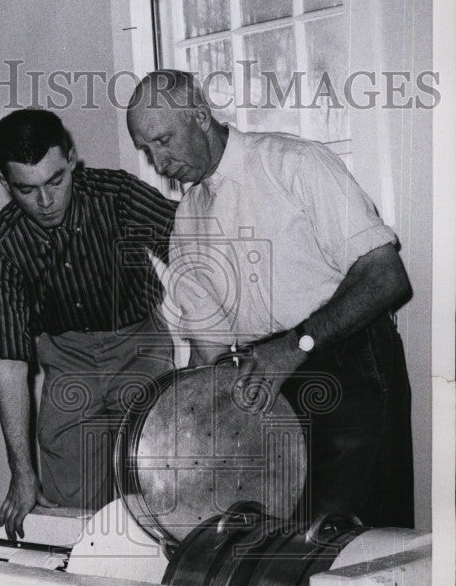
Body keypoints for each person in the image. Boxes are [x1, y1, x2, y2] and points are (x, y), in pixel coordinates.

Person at [126, 70, 414, 528]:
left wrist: (294, 347)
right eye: (147, 150)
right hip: (264, 382)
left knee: (345, 547)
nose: (158, 163)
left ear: (200, 115)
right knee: (277, 550)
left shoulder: (295, 163)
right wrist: (182, 436)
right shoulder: (187, 219)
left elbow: (386, 277)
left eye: (164, 141)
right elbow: (210, 350)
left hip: (349, 365)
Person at [0, 109, 177, 539]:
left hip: (139, 350)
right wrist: (21, 471)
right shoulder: (0, 245)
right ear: (4, 182)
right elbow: (10, 362)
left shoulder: (116, 195)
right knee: (72, 511)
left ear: (71, 159)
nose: (46, 203)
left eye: (55, 181)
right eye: (26, 190)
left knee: (159, 495)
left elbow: (192, 246)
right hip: (67, 366)